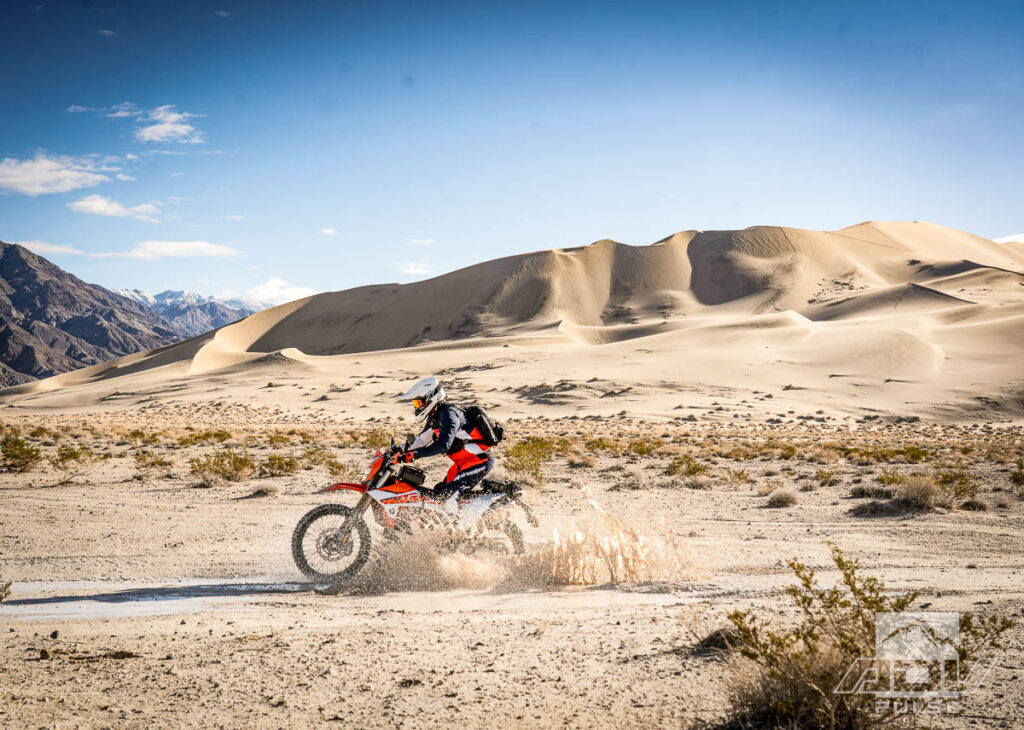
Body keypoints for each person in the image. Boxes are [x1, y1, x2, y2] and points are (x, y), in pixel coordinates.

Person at [397, 376, 494, 499]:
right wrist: (397, 450)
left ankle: (460, 519)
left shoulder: (449, 414)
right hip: (462, 463)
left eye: (419, 403)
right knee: (438, 494)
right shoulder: (435, 416)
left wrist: (416, 455)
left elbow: (443, 445)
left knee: (449, 497)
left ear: (431, 397)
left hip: (479, 461)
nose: (417, 407)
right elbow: (421, 440)